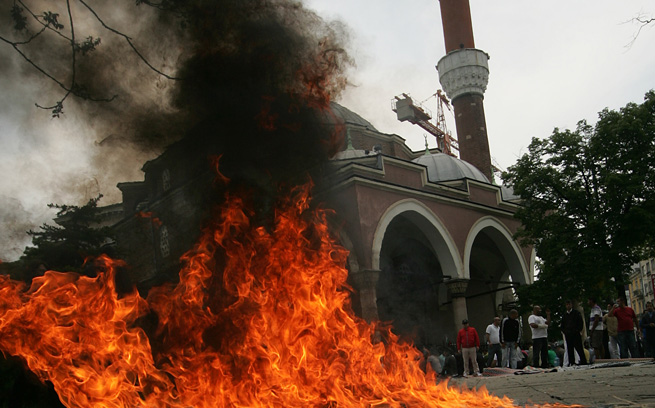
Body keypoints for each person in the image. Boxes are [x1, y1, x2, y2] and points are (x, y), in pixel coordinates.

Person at [561, 300, 588, 366]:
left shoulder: (576, 313)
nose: (568, 306)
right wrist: (565, 331)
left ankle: (583, 361)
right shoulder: (564, 316)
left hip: (575, 333)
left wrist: (578, 330)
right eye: (567, 304)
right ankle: (571, 362)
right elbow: (562, 325)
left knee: (579, 348)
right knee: (570, 349)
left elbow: (580, 323)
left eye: (569, 304)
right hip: (568, 334)